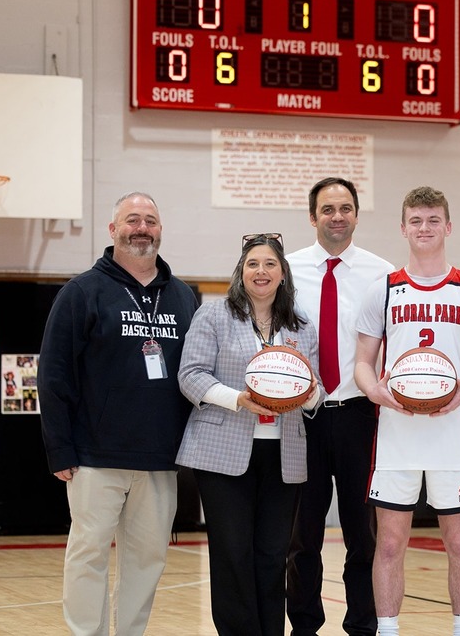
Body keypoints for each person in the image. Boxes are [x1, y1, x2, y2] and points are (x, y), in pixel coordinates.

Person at [38, 192, 199, 636]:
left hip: (160, 459)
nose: (142, 228)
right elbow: (52, 374)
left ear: (160, 230)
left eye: (150, 219)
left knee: (147, 560)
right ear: (113, 230)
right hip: (93, 457)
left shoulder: (184, 296)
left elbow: (197, 374)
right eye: (132, 220)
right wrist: (59, 448)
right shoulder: (82, 291)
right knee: (88, 554)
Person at [354, 186, 460, 636]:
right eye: (416, 221)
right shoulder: (382, 289)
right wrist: (375, 392)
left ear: (448, 226)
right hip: (396, 433)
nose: (424, 228)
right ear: (403, 228)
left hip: (451, 433)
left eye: (433, 220)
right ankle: (388, 630)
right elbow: (362, 363)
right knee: (391, 542)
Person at [176, 233, 323, 636]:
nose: (262, 271)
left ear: (282, 273)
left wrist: (306, 396)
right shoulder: (214, 315)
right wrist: (238, 399)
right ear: (241, 271)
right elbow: (190, 377)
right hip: (222, 453)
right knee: (233, 553)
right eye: (253, 264)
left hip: (283, 455)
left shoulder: (301, 324)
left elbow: (317, 389)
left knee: (273, 554)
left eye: (270, 264)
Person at [285, 178, 394, 636]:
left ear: (355, 214)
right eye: (327, 209)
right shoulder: (287, 271)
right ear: (313, 217)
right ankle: (305, 626)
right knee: (302, 535)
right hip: (302, 416)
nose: (337, 216)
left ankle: (363, 625)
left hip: (359, 416)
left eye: (345, 208)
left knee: (362, 534)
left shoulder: (382, 272)